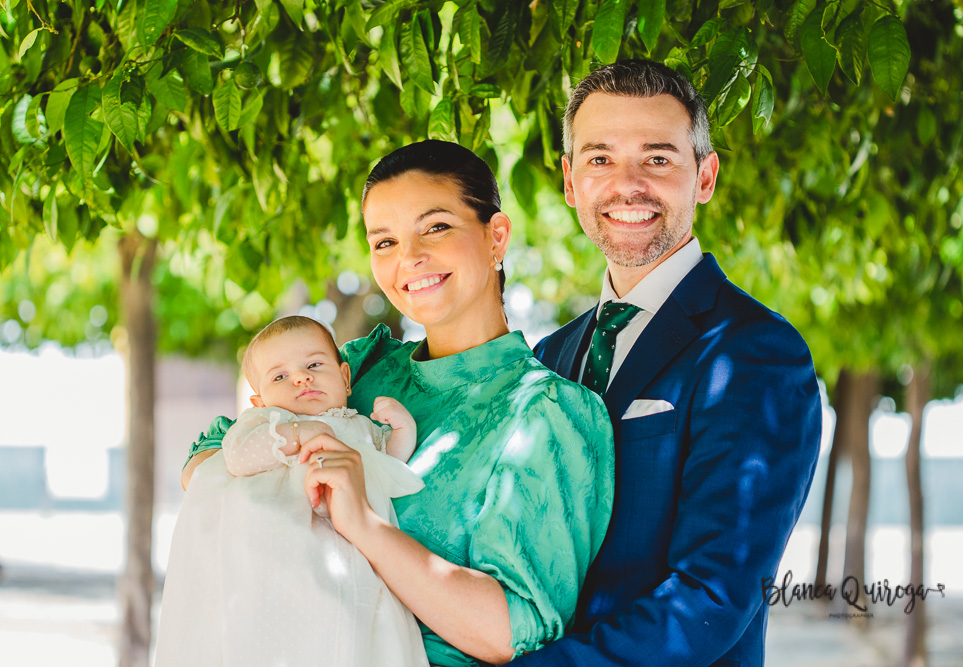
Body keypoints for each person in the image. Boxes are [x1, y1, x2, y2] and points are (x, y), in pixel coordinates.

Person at [180, 140, 616, 667]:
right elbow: (208, 453)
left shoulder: (548, 412)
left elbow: (515, 633)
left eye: (435, 227)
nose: (408, 258)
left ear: (496, 236)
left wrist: (365, 524)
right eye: (384, 241)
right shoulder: (362, 367)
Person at [513, 60, 823, 666]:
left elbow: (708, 600)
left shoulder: (757, 354)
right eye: (600, 159)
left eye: (657, 158)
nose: (627, 184)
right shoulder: (549, 357)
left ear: (704, 176)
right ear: (570, 182)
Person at [157, 315, 428, 667]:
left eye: (314, 364)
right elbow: (238, 456)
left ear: (345, 378)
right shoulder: (268, 423)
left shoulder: (360, 427)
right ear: (260, 400)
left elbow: (388, 466)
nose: (301, 377)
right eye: (280, 376)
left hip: (355, 561)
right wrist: (300, 434)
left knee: (365, 634)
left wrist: (402, 430)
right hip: (283, 554)